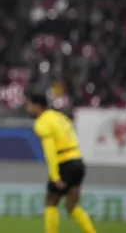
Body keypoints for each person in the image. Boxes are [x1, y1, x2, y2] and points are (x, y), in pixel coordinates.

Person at [25, 92, 96, 233]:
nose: (28, 109)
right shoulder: (60, 117)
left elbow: (50, 151)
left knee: (50, 201)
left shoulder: (42, 122)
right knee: (71, 205)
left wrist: (55, 176)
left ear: (37, 106)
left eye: (29, 105)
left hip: (65, 162)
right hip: (78, 161)